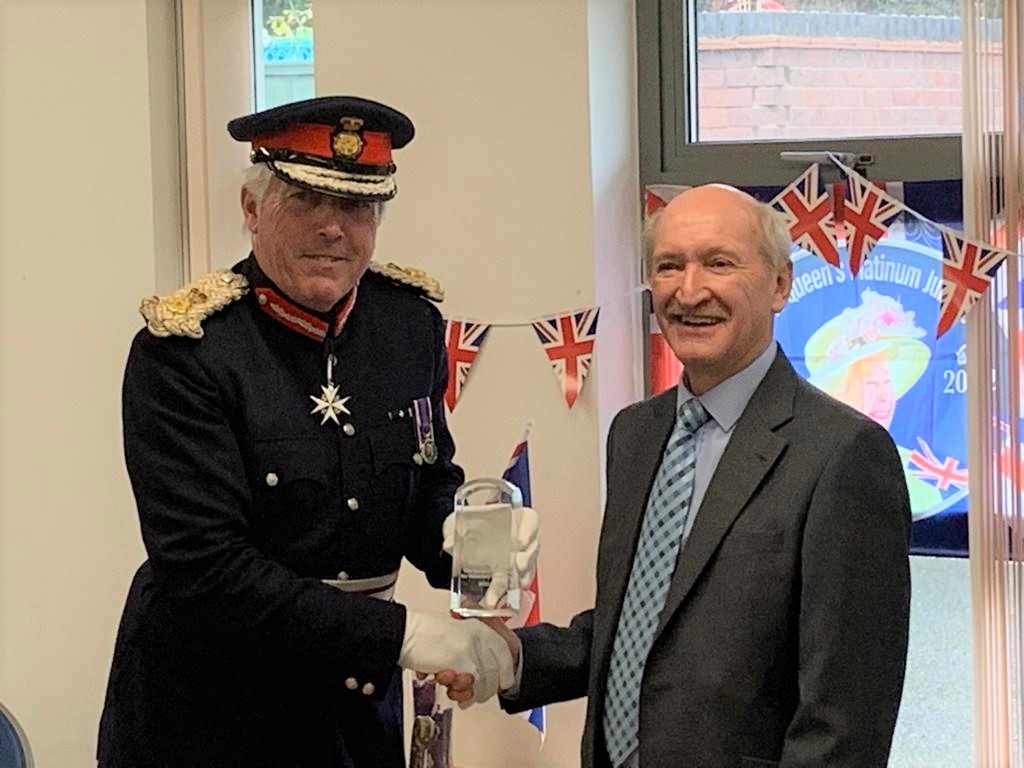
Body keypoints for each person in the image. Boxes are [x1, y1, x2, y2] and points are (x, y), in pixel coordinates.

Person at [97, 96, 535, 768]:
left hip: (355, 709)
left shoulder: (407, 326)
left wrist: (468, 537)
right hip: (211, 712)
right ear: (251, 210)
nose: (332, 228)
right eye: (304, 200)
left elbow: (425, 471)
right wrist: (402, 635)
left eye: (356, 208)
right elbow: (207, 569)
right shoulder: (184, 352)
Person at [494, 185, 911, 767]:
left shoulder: (844, 455)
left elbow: (845, 717)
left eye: (719, 263)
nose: (690, 291)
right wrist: (508, 657)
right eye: (669, 266)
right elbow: (640, 628)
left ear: (780, 285)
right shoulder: (634, 435)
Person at [805, 288, 944, 517]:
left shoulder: (917, 480)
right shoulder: (804, 467)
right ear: (837, 392)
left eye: (887, 383)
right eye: (871, 385)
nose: (884, 398)